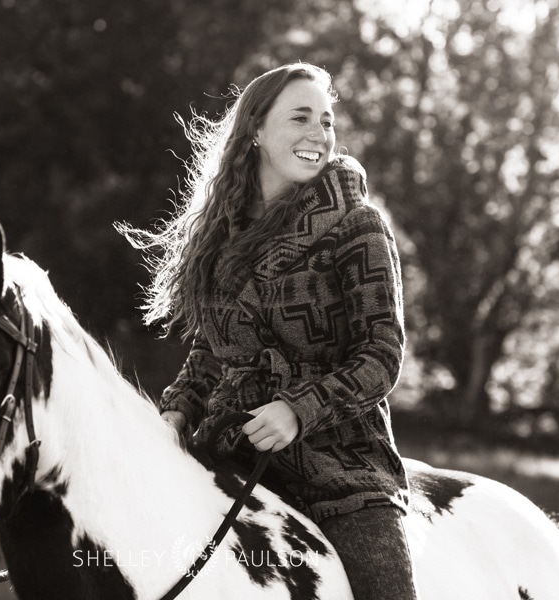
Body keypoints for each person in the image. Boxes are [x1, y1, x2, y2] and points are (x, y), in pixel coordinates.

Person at [125, 63, 418, 599]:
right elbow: (215, 349)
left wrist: (297, 410)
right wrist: (179, 407)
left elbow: (381, 355)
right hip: (227, 452)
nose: (319, 134)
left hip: (343, 472)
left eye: (326, 121)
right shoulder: (221, 236)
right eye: (300, 117)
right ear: (255, 131)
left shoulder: (359, 226)